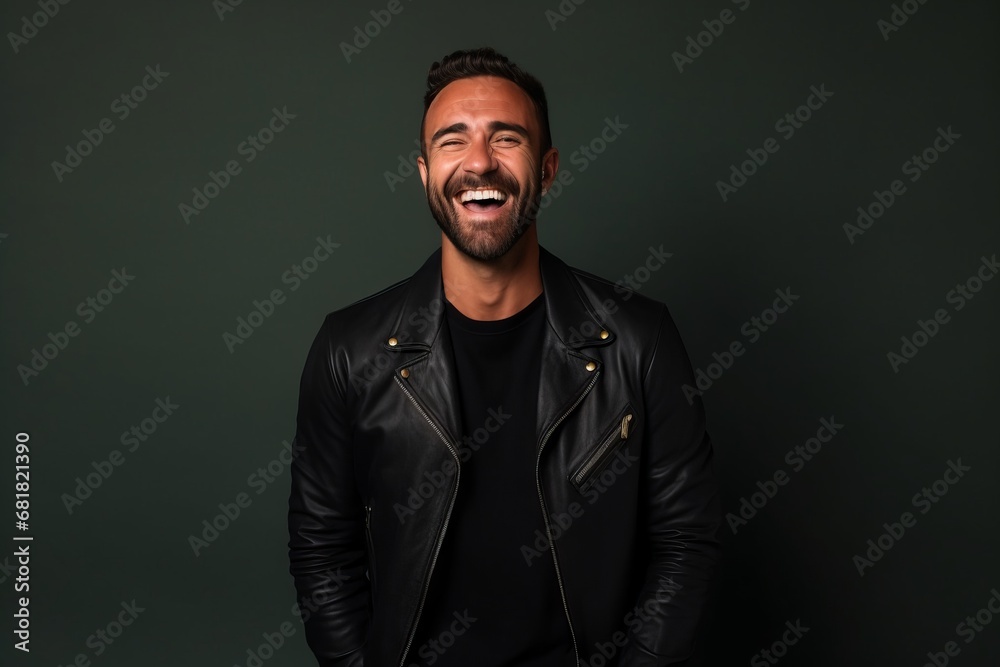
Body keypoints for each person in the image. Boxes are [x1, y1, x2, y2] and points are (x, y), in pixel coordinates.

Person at [287, 46, 721, 667]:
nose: (479, 162)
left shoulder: (638, 341)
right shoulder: (349, 351)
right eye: (452, 141)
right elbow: (322, 550)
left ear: (547, 169)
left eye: (506, 138)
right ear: (423, 172)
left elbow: (686, 543)